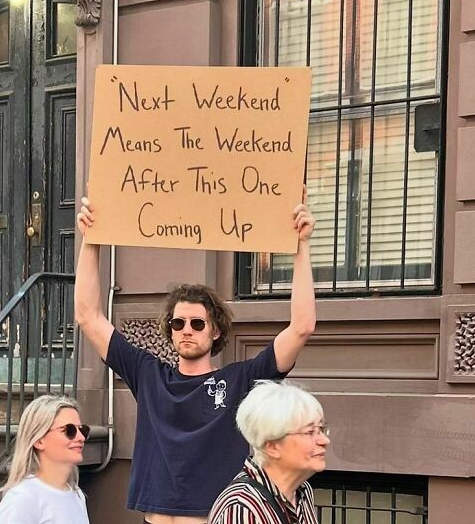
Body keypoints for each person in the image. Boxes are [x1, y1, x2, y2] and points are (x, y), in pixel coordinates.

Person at [75, 187, 316, 524]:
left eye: (197, 322)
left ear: (215, 330)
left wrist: (301, 248)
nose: (187, 329)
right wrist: (91, 240)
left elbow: (302, 327)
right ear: (170, 329)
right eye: (178, 322)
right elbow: (88, 315)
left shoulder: (240, 380)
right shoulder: (149, 375)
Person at [208, 380, 329, 524]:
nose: (324, 441)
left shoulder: (301, 491)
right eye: (310, 432)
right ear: (272, 447)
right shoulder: (242, 507)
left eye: (321, 429)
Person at [0, 394, 90, 524]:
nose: (81, 438)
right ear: (39, 440)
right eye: (69, 430)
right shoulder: (23, 498)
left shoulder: (77, 495)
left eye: (82, 430)